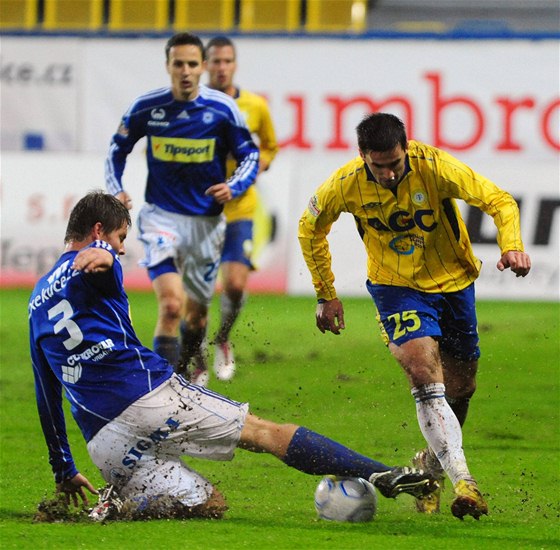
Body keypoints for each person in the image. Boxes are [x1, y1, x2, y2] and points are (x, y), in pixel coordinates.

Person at [29, 191, 439, 521]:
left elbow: (46, 392)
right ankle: (381, 474)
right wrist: (101, 255)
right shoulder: (99, 260)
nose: (120, 251)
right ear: (99, 231)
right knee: (264, 433)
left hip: (105, 441)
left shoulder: (35, 302)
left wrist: (64, 469)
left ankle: (118, 504)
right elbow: (102, 263)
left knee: (212, 505)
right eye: (120, 240)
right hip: (150, 399)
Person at [298, 113, 531, 521]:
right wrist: (326, 294)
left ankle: (430, 467)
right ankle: (465, 481)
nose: (388, 174)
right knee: (424, 373)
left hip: (455, 283)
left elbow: (498, 200)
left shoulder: (437, 167)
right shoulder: (344, 184)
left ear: (406, 148)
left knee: (461, 389)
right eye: (378, 166)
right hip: (394, 287)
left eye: (394, 163)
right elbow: (309, 227)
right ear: (362, 157)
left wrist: (511, 245)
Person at [105, 32, 260, 386]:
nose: (186, 71)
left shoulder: (222, 109)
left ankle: (189, 365)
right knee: (172, 305)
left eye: (193, 64)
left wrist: (234, 185)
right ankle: (165, 389)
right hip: (161, 218)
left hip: (206, 224)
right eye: (179, 64)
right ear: (168, 66)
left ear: (202, 67)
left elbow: (251, 155)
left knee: (197, 318)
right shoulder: (147, 107)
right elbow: (117, 149)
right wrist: (117, 190)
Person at [205, 36, 279, 381]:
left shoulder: (255, 106)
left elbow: (270, 145)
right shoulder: (192, 104)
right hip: (197, 211)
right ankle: (193, 355)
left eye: (226, 61)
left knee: (234, 285)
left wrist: (259, 163)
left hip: (240, 208)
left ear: (234, 65)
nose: (221, 67)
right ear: (205, 65)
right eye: (215, 61)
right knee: (195, 292)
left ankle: (221, 339)